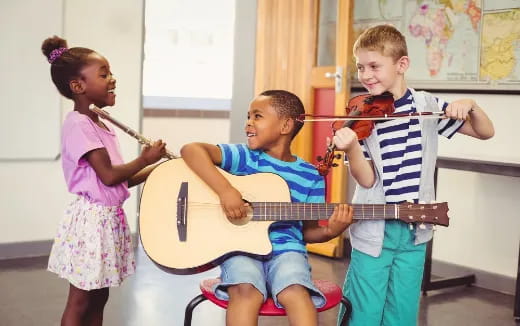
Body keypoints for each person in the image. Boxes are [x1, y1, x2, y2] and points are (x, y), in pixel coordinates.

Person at [333, 24, 495, 326]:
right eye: (360, 67)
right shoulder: (362, 118)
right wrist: (353, 147)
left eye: (374, 66)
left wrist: (471, 105)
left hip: (416, 229)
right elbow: (366, 180)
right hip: (375, 229)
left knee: (402, 312)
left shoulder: (427, 106)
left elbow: (486, 132)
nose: (365, 75)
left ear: (401, 64)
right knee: (364, 311)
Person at [181, 90, 353, 326]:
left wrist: (330, 232)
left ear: (285, 125)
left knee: (296, 290)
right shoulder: (246, 157)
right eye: (248, 116)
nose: (248, 123)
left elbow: (307, 232)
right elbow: (191, 150)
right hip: (240, 246)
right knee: (245, 290)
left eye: (258, 116)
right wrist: (226, 191)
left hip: (287, 249)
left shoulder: (311, 176)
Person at [42, 36, 166, 325]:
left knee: (99, 297)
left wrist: (159, 168)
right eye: (104, 74)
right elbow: (109, 176)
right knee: (81, 299)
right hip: (91, 223)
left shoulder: (100, 122)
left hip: (108, 219)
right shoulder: (79, 124)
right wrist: (145, 159)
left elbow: (121, 180)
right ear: (78, 86)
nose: (113, 79)